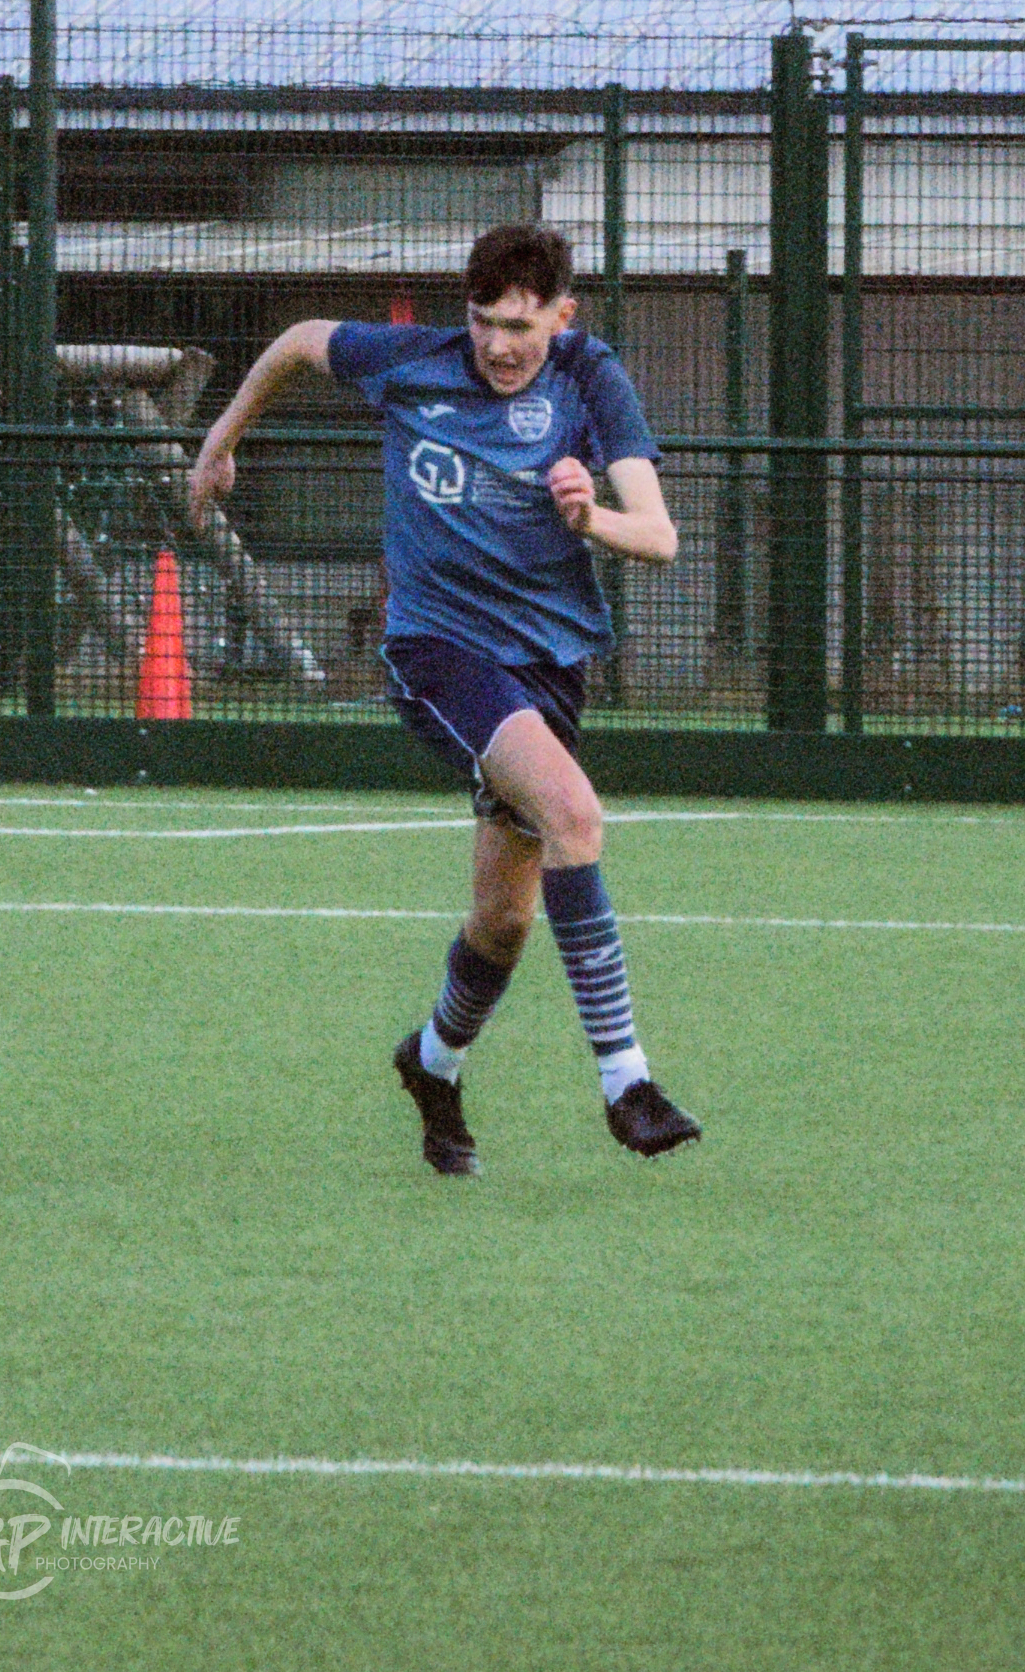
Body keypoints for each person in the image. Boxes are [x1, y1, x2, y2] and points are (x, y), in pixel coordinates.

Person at [188, 221, 698, 1174]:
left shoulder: (590, 380)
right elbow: (300, 339)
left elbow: (660, 537)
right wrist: (222, 437)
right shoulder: (415, 363)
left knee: (504, 918)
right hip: (440, 651)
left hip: (546, 667)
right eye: (481, 321)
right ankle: (626, 1079)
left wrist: (591, 518)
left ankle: (433, 1063)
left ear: (561, 314)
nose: (499, 345)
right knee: (576, 816)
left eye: (519, 323)